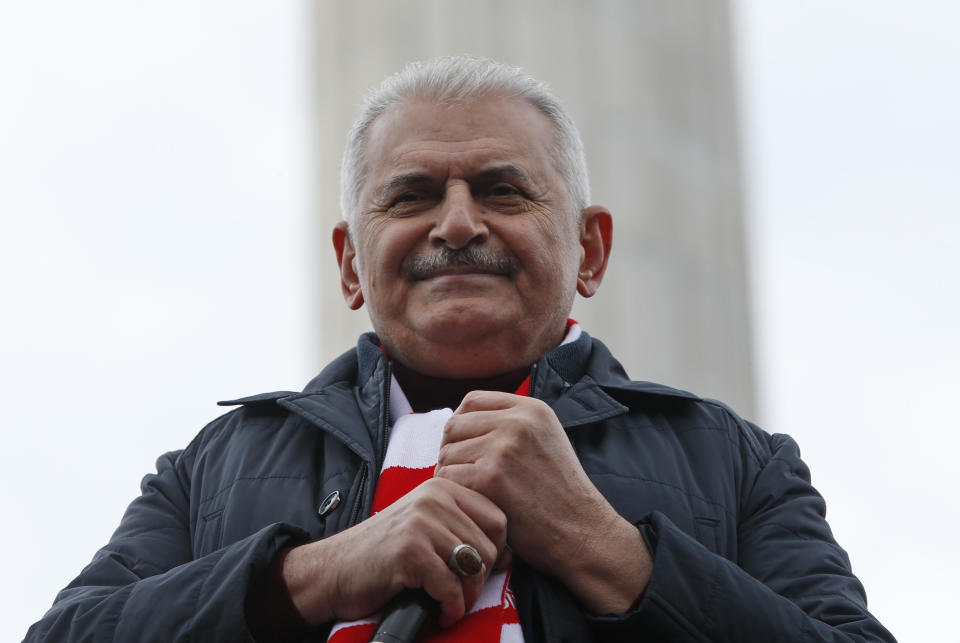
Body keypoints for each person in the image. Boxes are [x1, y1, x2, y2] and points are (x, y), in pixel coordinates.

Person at [25, 55, 894, 642]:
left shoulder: (736, 463)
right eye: (410, 196)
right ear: (349, 263)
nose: (457, 222)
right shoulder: (213, 469)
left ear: (589, 250)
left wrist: (615, 553)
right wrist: (313, 574)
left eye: (502, 189)